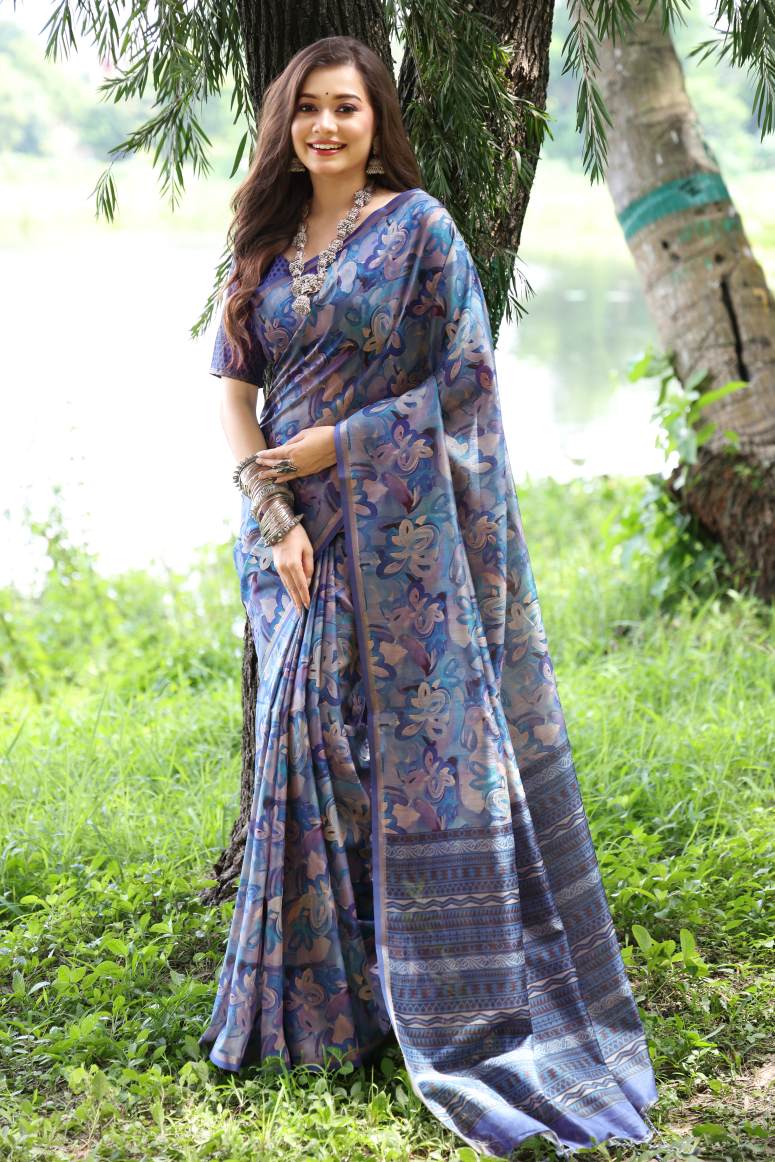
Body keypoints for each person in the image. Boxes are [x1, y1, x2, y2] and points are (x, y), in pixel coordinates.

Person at [198, 33, 659, 1158]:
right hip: (289, 538)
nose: (326, 126)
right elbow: (231, 390)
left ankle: (424, 995)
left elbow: (466, 384)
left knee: (386, 756)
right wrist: (274, 512)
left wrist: (339, 447)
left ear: (376, 121)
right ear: (285, 124)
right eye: (308, 109)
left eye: (346, 108)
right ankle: (323, 1014)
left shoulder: (421, 230)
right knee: (304, 740)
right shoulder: (259, 242)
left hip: (398, 529)